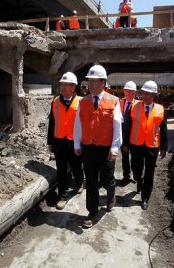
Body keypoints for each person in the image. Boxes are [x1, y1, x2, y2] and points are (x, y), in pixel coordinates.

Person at [74, 65, 122, 228]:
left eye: (94, 81)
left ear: (103, 83)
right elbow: (78, 124)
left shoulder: (113, 101)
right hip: (88, 148)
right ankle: (92, 212)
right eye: (89, 81)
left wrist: (115, 148)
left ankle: (111, 194)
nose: (90, 85)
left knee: (107, 180)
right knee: (92, 181)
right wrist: (76, 143)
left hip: (106, 149)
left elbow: (117, 127)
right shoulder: (83, 101)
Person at [123, 80, 168, 211]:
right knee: (136, 169)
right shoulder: (134, 107)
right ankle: (139, 180)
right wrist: (125, 143)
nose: (145, 96)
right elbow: (127, 126)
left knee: (149, 172)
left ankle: (145, 198)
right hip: (136, 144)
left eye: (149, 94)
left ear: (154, 95)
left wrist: (164, 147)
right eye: (144, 93)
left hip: (152, 146)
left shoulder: (160, 109)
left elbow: (164, 129)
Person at [47, 72, 84, 210]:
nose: (62, 87)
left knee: (76, 167)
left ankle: (79, 182)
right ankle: (62, 196)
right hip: (59, 142)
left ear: (73, 87)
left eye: (66, 85)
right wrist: (50, 141)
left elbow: (85, 124)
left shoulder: (81, 102)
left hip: (74, 142)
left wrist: (83, 143)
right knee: (61, 169)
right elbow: (52, 122)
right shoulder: (55, 101)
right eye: (61, 84)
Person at [118, 81, 137, 186]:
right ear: (124, 91)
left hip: (134, 137)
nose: (129, 93)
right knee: (124, 158)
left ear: (135, 92)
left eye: (131, 91)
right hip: (122, 135)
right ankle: (126, 176)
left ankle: (136, 175)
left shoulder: (138, 105)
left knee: (134, 158)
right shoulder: (119, 103)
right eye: (127, 90)